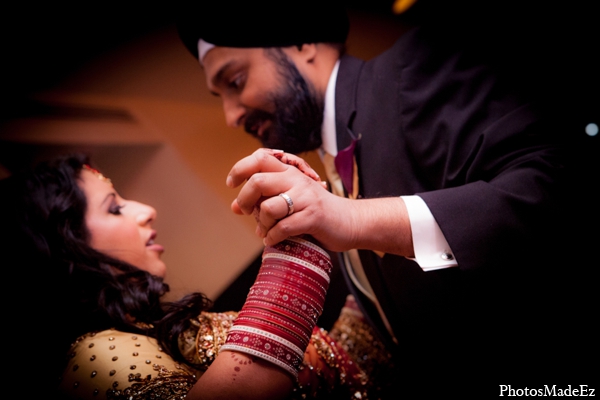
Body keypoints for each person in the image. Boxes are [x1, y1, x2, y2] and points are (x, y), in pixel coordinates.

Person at [175, 1, 581, 392]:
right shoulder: (331, 161)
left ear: (303, 42)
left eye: (235, 82)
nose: (231, 116)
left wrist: (352, 219)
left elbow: (556, 185)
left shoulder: (418, 64)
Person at [0, 153, 392, 400]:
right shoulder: (92, 355)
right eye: (114, 209)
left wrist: (372, 249)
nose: (145, 209)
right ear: (66, 247)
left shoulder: (147, 327)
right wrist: (299, 243)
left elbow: (344, 367)